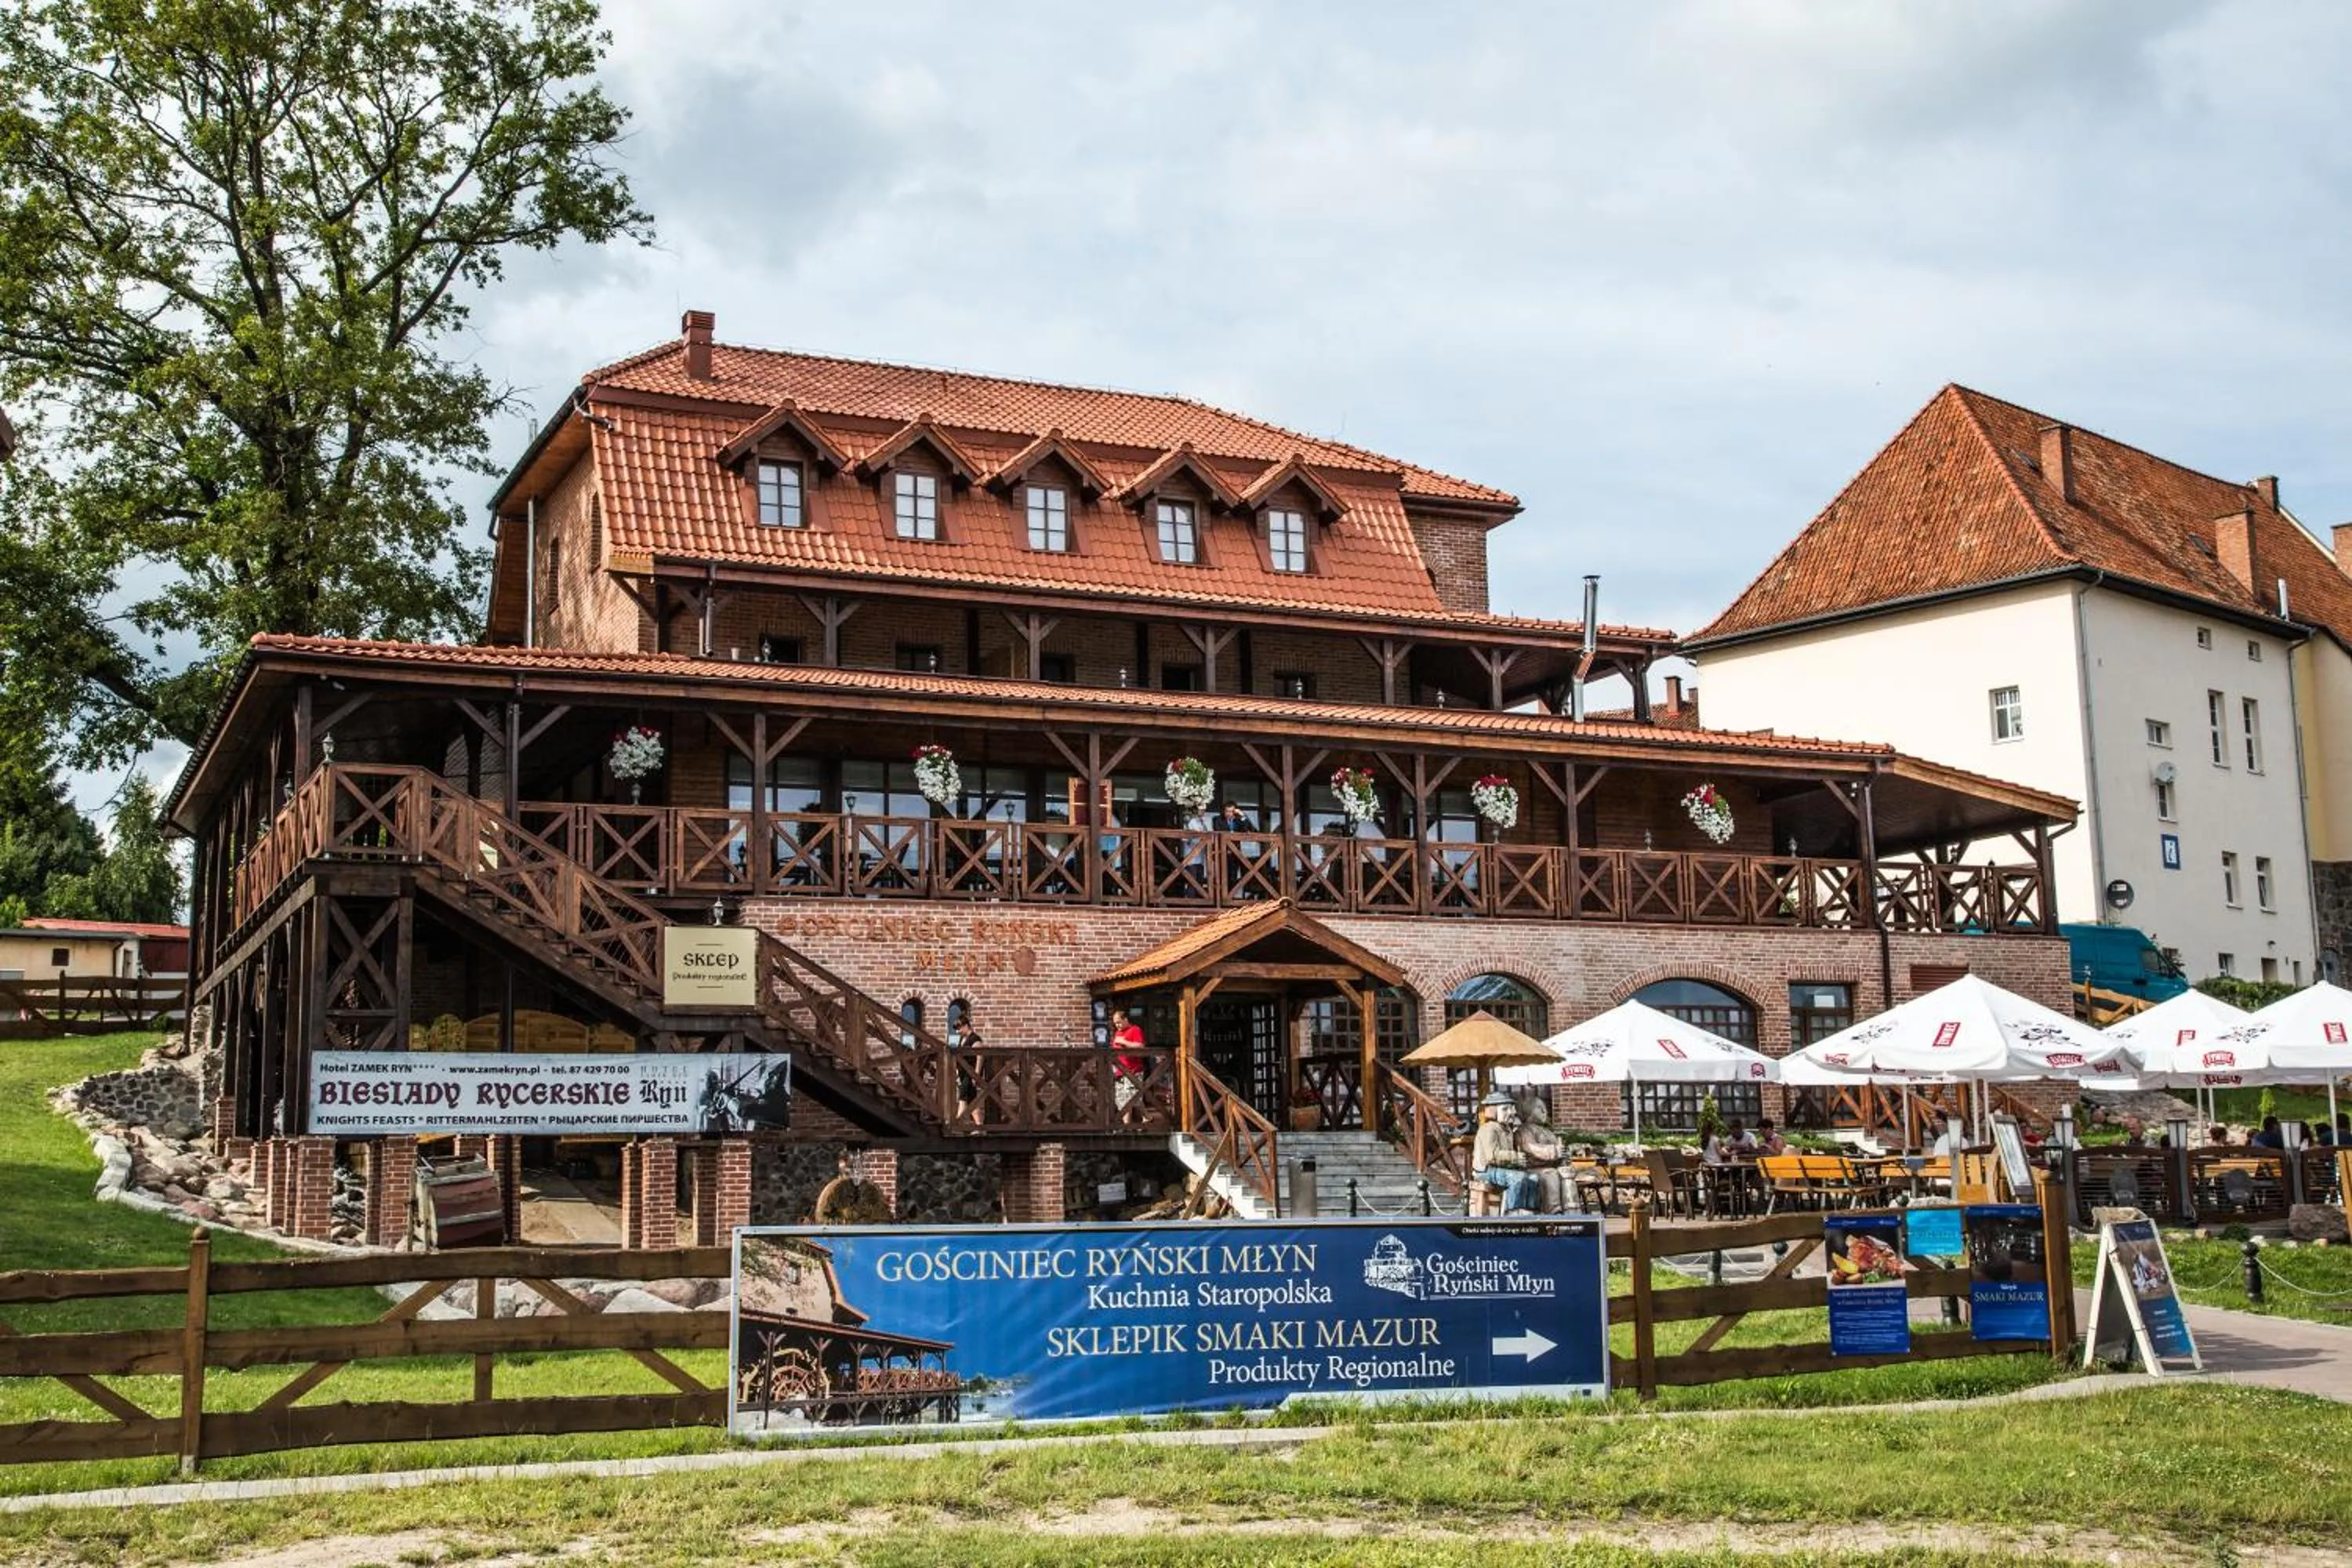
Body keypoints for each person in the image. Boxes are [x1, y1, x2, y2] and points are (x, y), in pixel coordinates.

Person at [1472, 1091, 1539, 1214]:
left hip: (1501, 1169)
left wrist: (1519, 1161)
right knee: (1517, 1177)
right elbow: (1491, 1157)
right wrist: (1515, 1157)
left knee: (1533, 1178)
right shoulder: (1489, 1129)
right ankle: (1512, 1211)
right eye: (1505, 1109)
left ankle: (1529, 1210)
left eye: (1511, 1109)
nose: (1511, 1112)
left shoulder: (1507, 1130)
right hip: (1486, 1171)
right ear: (1493, 1111)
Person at [1514, 1094, 1570, 1214]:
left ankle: (1571, 1209)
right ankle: (1554, 1211)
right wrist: (1554, 1151)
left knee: (1567, 1175)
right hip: (1533, 1168)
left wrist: (1563, 1155)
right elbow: (1532, 1149)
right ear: (1528, 1111)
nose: (1545, 1111)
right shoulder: (1524, 1131)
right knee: (1550, 1175)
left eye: (1544, 1108)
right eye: (1539, 1108)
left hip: (1550, 1167)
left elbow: (1559, 1151)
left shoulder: (1548, 1132)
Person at [1109, 1008, 1147, 1120]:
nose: (1117, 1025)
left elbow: (1140, 1046)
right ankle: (1144, 1118)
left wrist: (1125, 1042)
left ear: (1126, 1019)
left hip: (1133, 1070)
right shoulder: (1118, 1033)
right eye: (1115, 1023)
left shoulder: (1135, 1030)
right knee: (1121, 1100)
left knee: (1131, 1098)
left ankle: (1130, 1125)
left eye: (1119, 1022)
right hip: (1120, 1070)